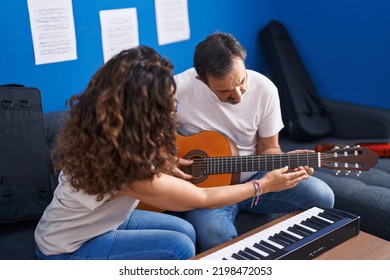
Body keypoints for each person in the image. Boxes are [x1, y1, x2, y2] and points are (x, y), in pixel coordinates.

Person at [34, 45, 311, 260]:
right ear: (143, 114)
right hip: (66, 250)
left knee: (186, 230)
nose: (172, 110)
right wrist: (264, 184)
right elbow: (201, 197)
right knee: (177, 247)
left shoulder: (107, 133)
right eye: (167, 105)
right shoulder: (127, 168)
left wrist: (161, 162)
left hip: (95, 221)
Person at [173, 32, 335, 252]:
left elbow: (269, 147)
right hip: (209, 190)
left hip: (257, 176)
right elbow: (151, 139)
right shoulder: (177, 91)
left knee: (322, 195)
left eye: (241, 82)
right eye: (225, 91)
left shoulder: (265, 89)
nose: (238, 95)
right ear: (201, 80)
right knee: (214, 233)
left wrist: (285, 162)